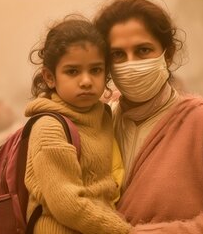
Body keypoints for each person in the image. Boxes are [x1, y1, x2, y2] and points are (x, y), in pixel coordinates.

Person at [93, 0, 203, 233]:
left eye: (143, 50)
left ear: (169, 53)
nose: (131, 64)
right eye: (118, 55)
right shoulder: (97, 122)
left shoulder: (202, 122)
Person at [24, 16, 131, 234]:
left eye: (95, 70)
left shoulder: (104, 116)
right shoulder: (49, 128)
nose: (86, 81)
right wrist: (125, 231)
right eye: (72, 71)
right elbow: (67, 205)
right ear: (50, 77)